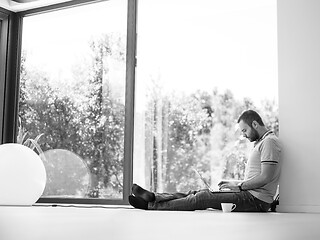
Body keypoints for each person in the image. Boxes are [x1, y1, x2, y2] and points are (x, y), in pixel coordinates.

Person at [129, 110, 281, 212]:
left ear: (255, 124)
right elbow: (257, 177)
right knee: (196, 192)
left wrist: (239, 186)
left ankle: (151, 205)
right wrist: (233, 183)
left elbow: (266, 177)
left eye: (244, 130)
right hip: (250, 195)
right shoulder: (262, 142)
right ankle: (155, 196)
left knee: (203, 198)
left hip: (256, 201)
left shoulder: (269, 142)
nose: (244, 135)